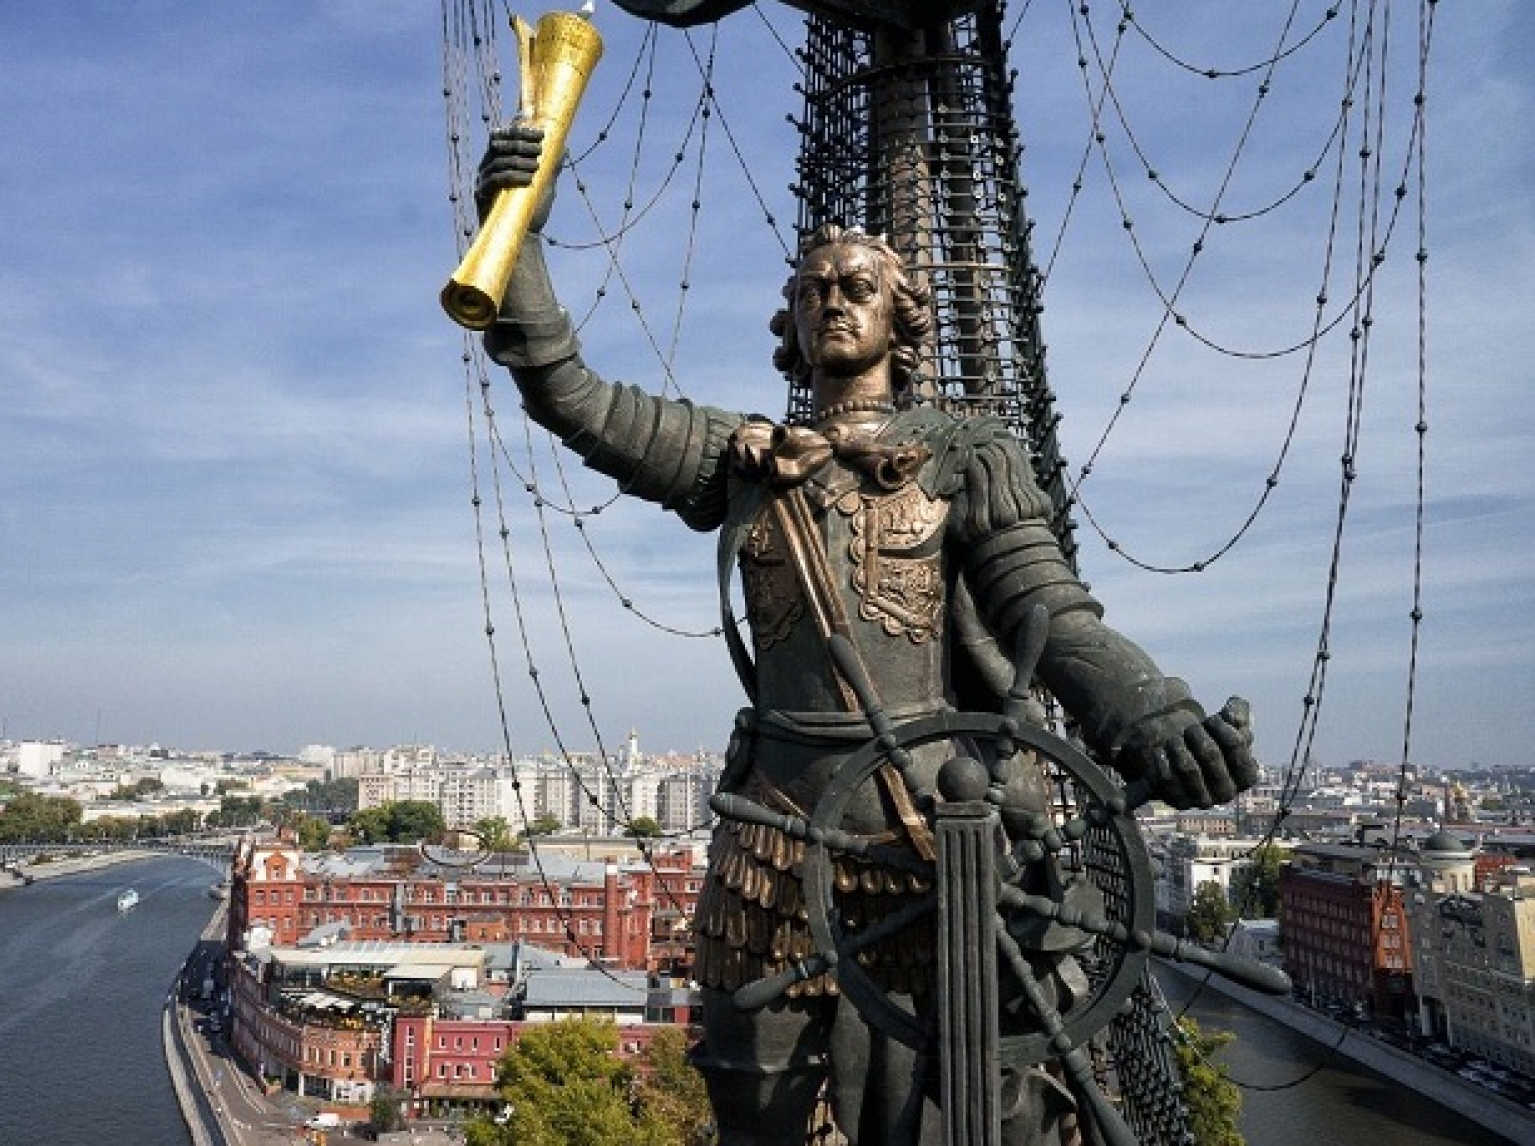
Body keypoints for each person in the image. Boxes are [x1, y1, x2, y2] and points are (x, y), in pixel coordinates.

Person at [472, 126, 1258, 1146]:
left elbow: (1046, 611)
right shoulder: (741, 458)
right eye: (812, 290)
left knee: (989, 1099)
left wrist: (1157, 716)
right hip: (773, 829)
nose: (832, 300)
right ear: (789, 326)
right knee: (748, 1090)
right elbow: (570, 395)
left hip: (937, 827)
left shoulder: (966, 455)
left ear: (900, 318)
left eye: (856, 287)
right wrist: (519, 231)